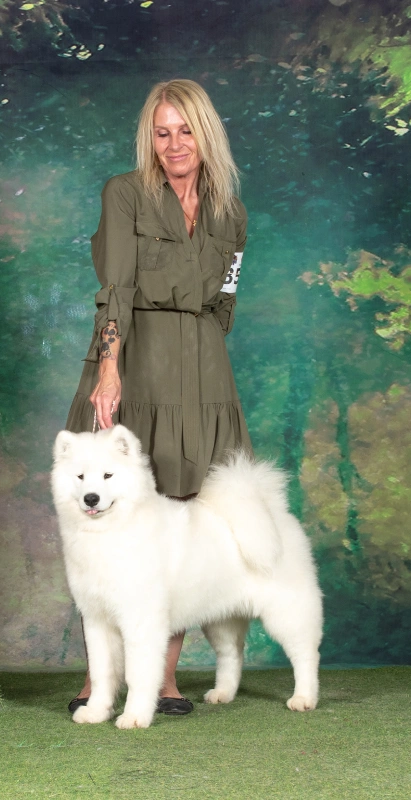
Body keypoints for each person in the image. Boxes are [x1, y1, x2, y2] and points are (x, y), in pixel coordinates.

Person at [64, 79, 251, 716]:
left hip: (202, 368)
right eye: (162, 131)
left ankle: (163, 678)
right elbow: (114, 285)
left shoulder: (230, 208)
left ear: (206, 133)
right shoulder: (125, 193)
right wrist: (109, 366)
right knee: (125, 515)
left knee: (188, 515)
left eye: (185, 130)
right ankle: (101, 679)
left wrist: (207, 356)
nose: (174, 144)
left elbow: (227, 296)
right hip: (134, 354)